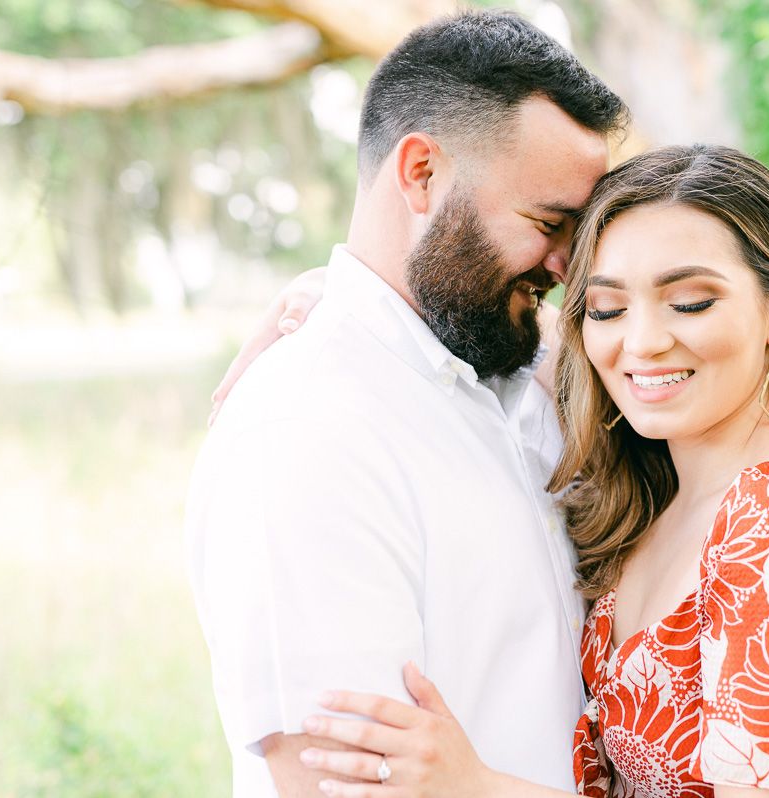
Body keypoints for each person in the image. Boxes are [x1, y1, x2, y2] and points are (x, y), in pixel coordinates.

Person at [228, 146, 769, 798]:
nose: (643, 343)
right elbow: (535, 332)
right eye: (607, 308)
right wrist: (345, 300)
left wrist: (479, 791)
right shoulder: (669, 489)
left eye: (691, 301)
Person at [184, 10, 628, 796]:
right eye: (547, 224)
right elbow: (340, 787)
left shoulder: (518, 366)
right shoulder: (306, 434)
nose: (567, 266)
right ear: (421, 173)